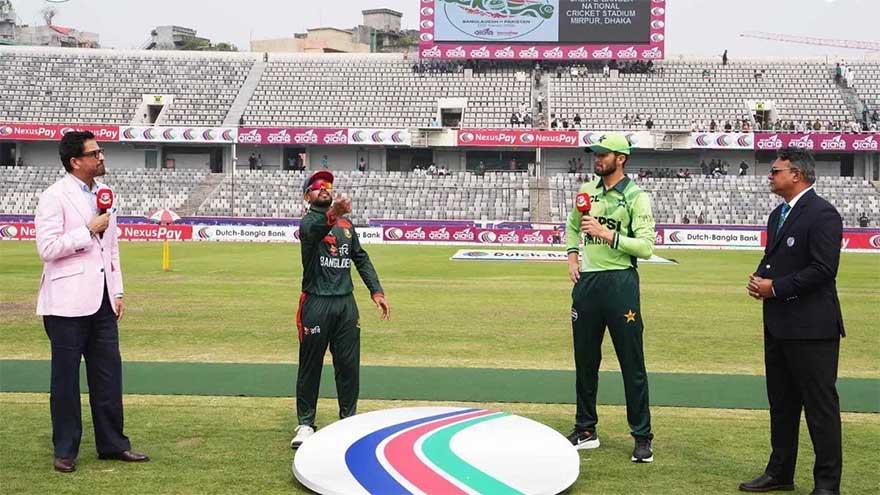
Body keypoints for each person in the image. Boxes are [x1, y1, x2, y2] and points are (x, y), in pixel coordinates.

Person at [35, 131, 149, 473]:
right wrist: (87, 230)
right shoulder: (53, 197)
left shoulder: (105, 194)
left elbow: (111, 249)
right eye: (94, 153)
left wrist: (117, 291)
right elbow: (47, 248)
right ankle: (65, 449)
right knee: (65, 381)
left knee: (108, 377)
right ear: (75, 161)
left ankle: (113, 444)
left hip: (102, 301)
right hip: (65, 304)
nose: (101, 157)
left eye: (100, 151)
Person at [742, 148, 844, 495]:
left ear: (796, 174)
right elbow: (776, 259)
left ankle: (827, 484)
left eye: (775, 171)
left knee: (820, 409)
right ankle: (780, 472)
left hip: (812, 328)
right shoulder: (778, 214)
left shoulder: (823, 213)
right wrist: (760, 277)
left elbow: (824, 269)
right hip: (778, 324)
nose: (770, 176)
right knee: (782, 405)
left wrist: (776, 287)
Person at [565, 134, 656, 463]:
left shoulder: (636, 197)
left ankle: (642, 436)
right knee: (585, 362)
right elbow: (572, 225)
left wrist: (607, 234)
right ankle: (585, 429)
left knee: (632, 363)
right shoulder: (586, 190)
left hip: (620, 282)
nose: (598, 158)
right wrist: (572, 255)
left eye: (604, 154)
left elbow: (646, 247)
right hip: (588, 284)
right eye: (596, 154)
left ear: (621, 158)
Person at [290, 170, 390, 449]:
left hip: (345, 303)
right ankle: (306, 423)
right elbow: (316, 230)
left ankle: (348, 421)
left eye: (328, 184)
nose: (324, 187)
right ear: (307, 195)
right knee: (310, 365)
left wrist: (376, 291)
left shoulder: (346, 224)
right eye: (317, 185)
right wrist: (334, 212)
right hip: (317, 302)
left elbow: (360, 257)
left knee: (348, 365)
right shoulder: (309, 222)